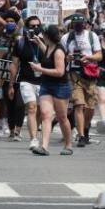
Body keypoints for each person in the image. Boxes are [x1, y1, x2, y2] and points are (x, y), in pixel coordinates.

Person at [31, 24, 73, 156]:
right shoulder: (49, 47)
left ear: (48, 36)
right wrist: (39, 43)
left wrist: (40, 69)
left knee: (62, 118)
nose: (41, 35)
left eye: (43, 34)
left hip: (60, 86)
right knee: (45, 114)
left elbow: (60, 72)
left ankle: (68, 144)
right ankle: (44, 146)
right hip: (46, 85)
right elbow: (48, 55)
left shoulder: (59, 51)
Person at [61, 13, 101, 147]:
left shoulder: (92, 36)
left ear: (85, 23)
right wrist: (68, 58)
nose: (79, 25)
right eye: (76, 23)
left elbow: (99, 55)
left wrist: (88, 58)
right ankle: (82, 136)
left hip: (89, 75)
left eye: (81, 23)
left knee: (90, 107)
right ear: (72, 24)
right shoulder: (66, 38)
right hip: (74, 75)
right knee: (79, 105)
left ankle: (85, 128)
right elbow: (61, 57)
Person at [11, 16, 43, 150]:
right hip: (26, 80)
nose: (35, 28)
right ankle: (33, 139)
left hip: (43, 81)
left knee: (41, 111)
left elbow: (52, 55)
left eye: (37, 26)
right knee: (31, 107)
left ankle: (36, 131)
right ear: (26, 28)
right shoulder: (20, 43)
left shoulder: (46, 41)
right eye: (32, 26)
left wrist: (40, 42)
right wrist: (12, 84)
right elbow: (14, 64)